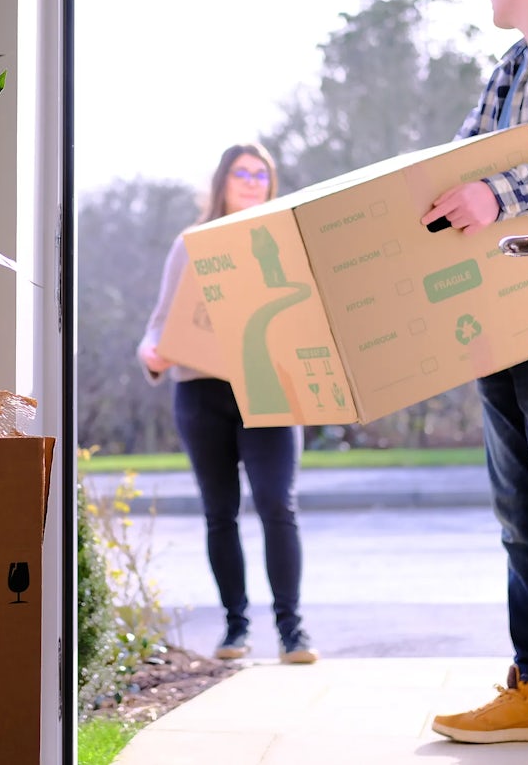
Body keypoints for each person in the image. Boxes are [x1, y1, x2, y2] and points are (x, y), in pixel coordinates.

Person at [419, 0, 528, 744]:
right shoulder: (510, 66)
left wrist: (496, 197)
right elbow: (456, 169)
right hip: (494, 323)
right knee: (517, 517)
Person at [136, 143, 319, 665]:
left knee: (277, 505)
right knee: (221, 513)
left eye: (261, 174)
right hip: (202, 393)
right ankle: (236, 628)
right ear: (222, 181)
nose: (252, 181)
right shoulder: (191, 245)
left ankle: (293, 632)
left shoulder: (284, 241)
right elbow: (159, 323)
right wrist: (150, 353)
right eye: (242, 172)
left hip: (269, 390)